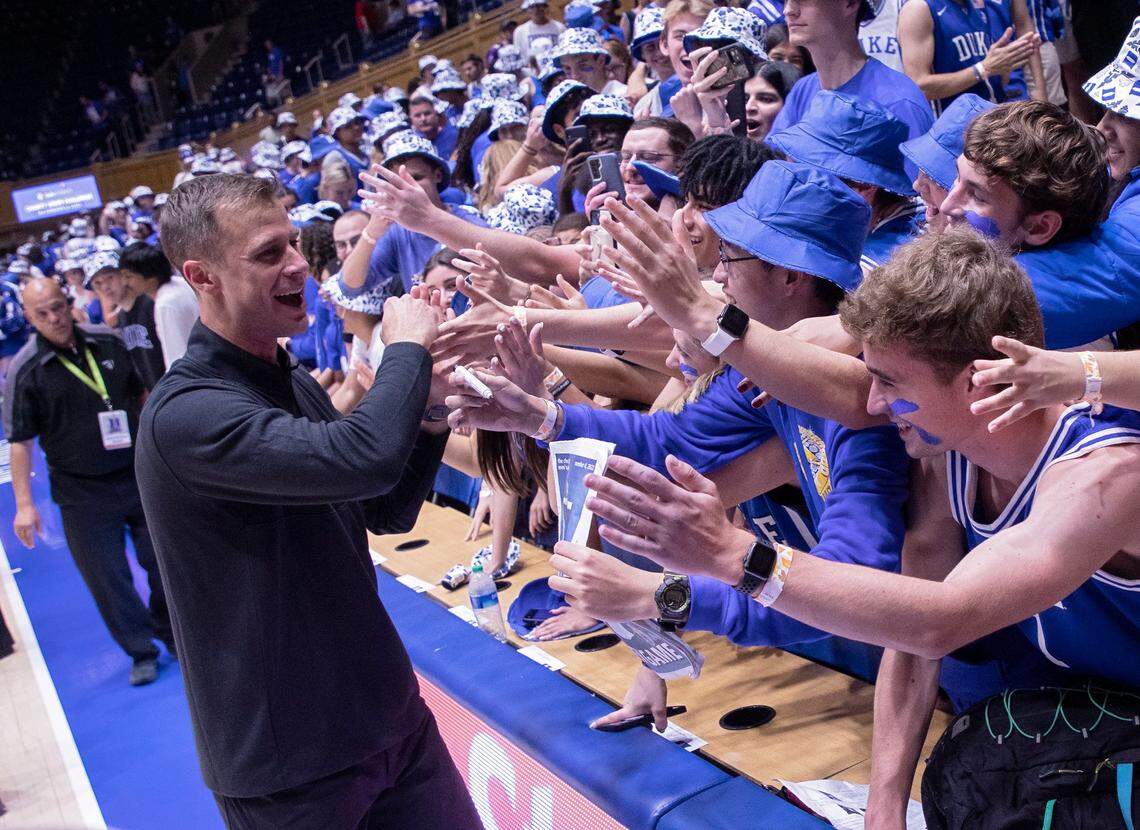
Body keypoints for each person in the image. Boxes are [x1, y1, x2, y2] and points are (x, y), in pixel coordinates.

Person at [570, 228, 1140, 826]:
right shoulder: (946, 457)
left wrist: (734, 556)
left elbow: (944, 619)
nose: (869, 404)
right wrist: (883, 807)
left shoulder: (1105, 476)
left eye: (889, 383)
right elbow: (911, 646)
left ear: (977, 383)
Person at [136, 175, 481, 828]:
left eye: (294, 243)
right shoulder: (187, 415)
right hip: (290, 765)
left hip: (387, 718)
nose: (298, 263)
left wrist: (430, 409)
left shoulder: (288, 374)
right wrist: (404, 345)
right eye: (269, 253)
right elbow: (365, 455)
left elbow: (379, 505)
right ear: (201, 276)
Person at [5, 277, 172, 687]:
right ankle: (140, 649)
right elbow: (21, 442)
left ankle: (169, 627)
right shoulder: (27, 371)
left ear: (69, 303)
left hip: (135, 472)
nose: (54, 318)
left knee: (162, 559)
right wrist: (25, 504)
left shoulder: (108, 342)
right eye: (42, 313)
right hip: (81, 493)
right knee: (108, 577)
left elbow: (142, 395)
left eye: (58, 307)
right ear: (29, 317)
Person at [342, 132, 487, 298]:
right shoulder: (397, 233)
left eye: (416, 178)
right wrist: (370, 233)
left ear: (437, 175)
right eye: (398, 182)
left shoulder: (468, 219)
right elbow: (349, 287)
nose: (408, 189)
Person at [770, 0, 934, 146]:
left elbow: (916, 180)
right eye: (785, 1)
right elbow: (772, 163)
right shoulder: (803, 89)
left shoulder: (899, 101)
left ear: (850, 3)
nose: (788, 10)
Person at [897, 0, 1045, 115]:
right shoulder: (918, 9)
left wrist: (1004, 65)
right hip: (951, 132)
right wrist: (983, 68)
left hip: (989, 121)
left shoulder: (976, 8)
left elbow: (991, 78)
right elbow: (920, 87)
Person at [119, 241, 199, 370]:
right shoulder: (180, 284)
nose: (124, 283)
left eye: (129, 277)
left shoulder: (166, 304)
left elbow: (178, 360)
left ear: (151, 278)